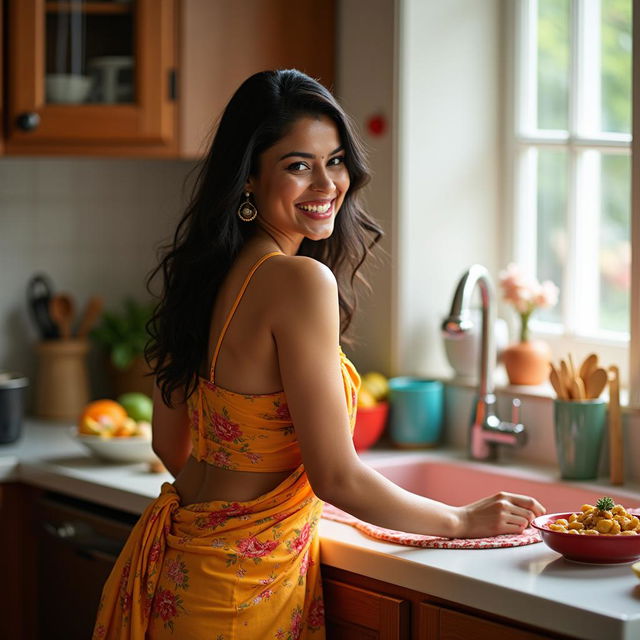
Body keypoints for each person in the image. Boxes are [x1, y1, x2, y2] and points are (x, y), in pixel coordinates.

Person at [93, 69, 545, 640]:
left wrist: (244, 511)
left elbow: (168, 442)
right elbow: (336, 476)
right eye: (298, 165)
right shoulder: (299, 280)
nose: (327, 184)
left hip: (183, 563)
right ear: (249, 179)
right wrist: (459, 520)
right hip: (240, 590)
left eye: (335, 161)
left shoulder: (205, 274)